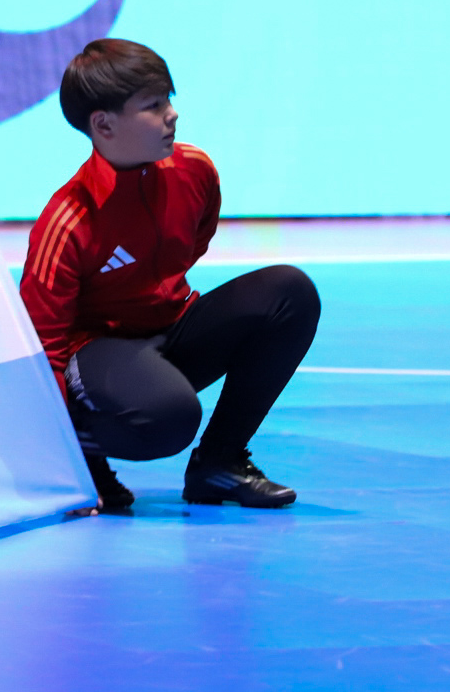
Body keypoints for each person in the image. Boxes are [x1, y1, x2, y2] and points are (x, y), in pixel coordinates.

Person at [21, 39, 320, 515]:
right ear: (103, 124)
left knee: (289, 293)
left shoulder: (195, 171)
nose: (172, 115)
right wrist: (67, 475)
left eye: (169, 99)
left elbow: (193, 243)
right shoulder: (69, 221)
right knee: (171, 418)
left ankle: (219, 462)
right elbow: (43, 351)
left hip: (170, 328)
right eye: (154, 105)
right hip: (95, 353)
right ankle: (84, 457)